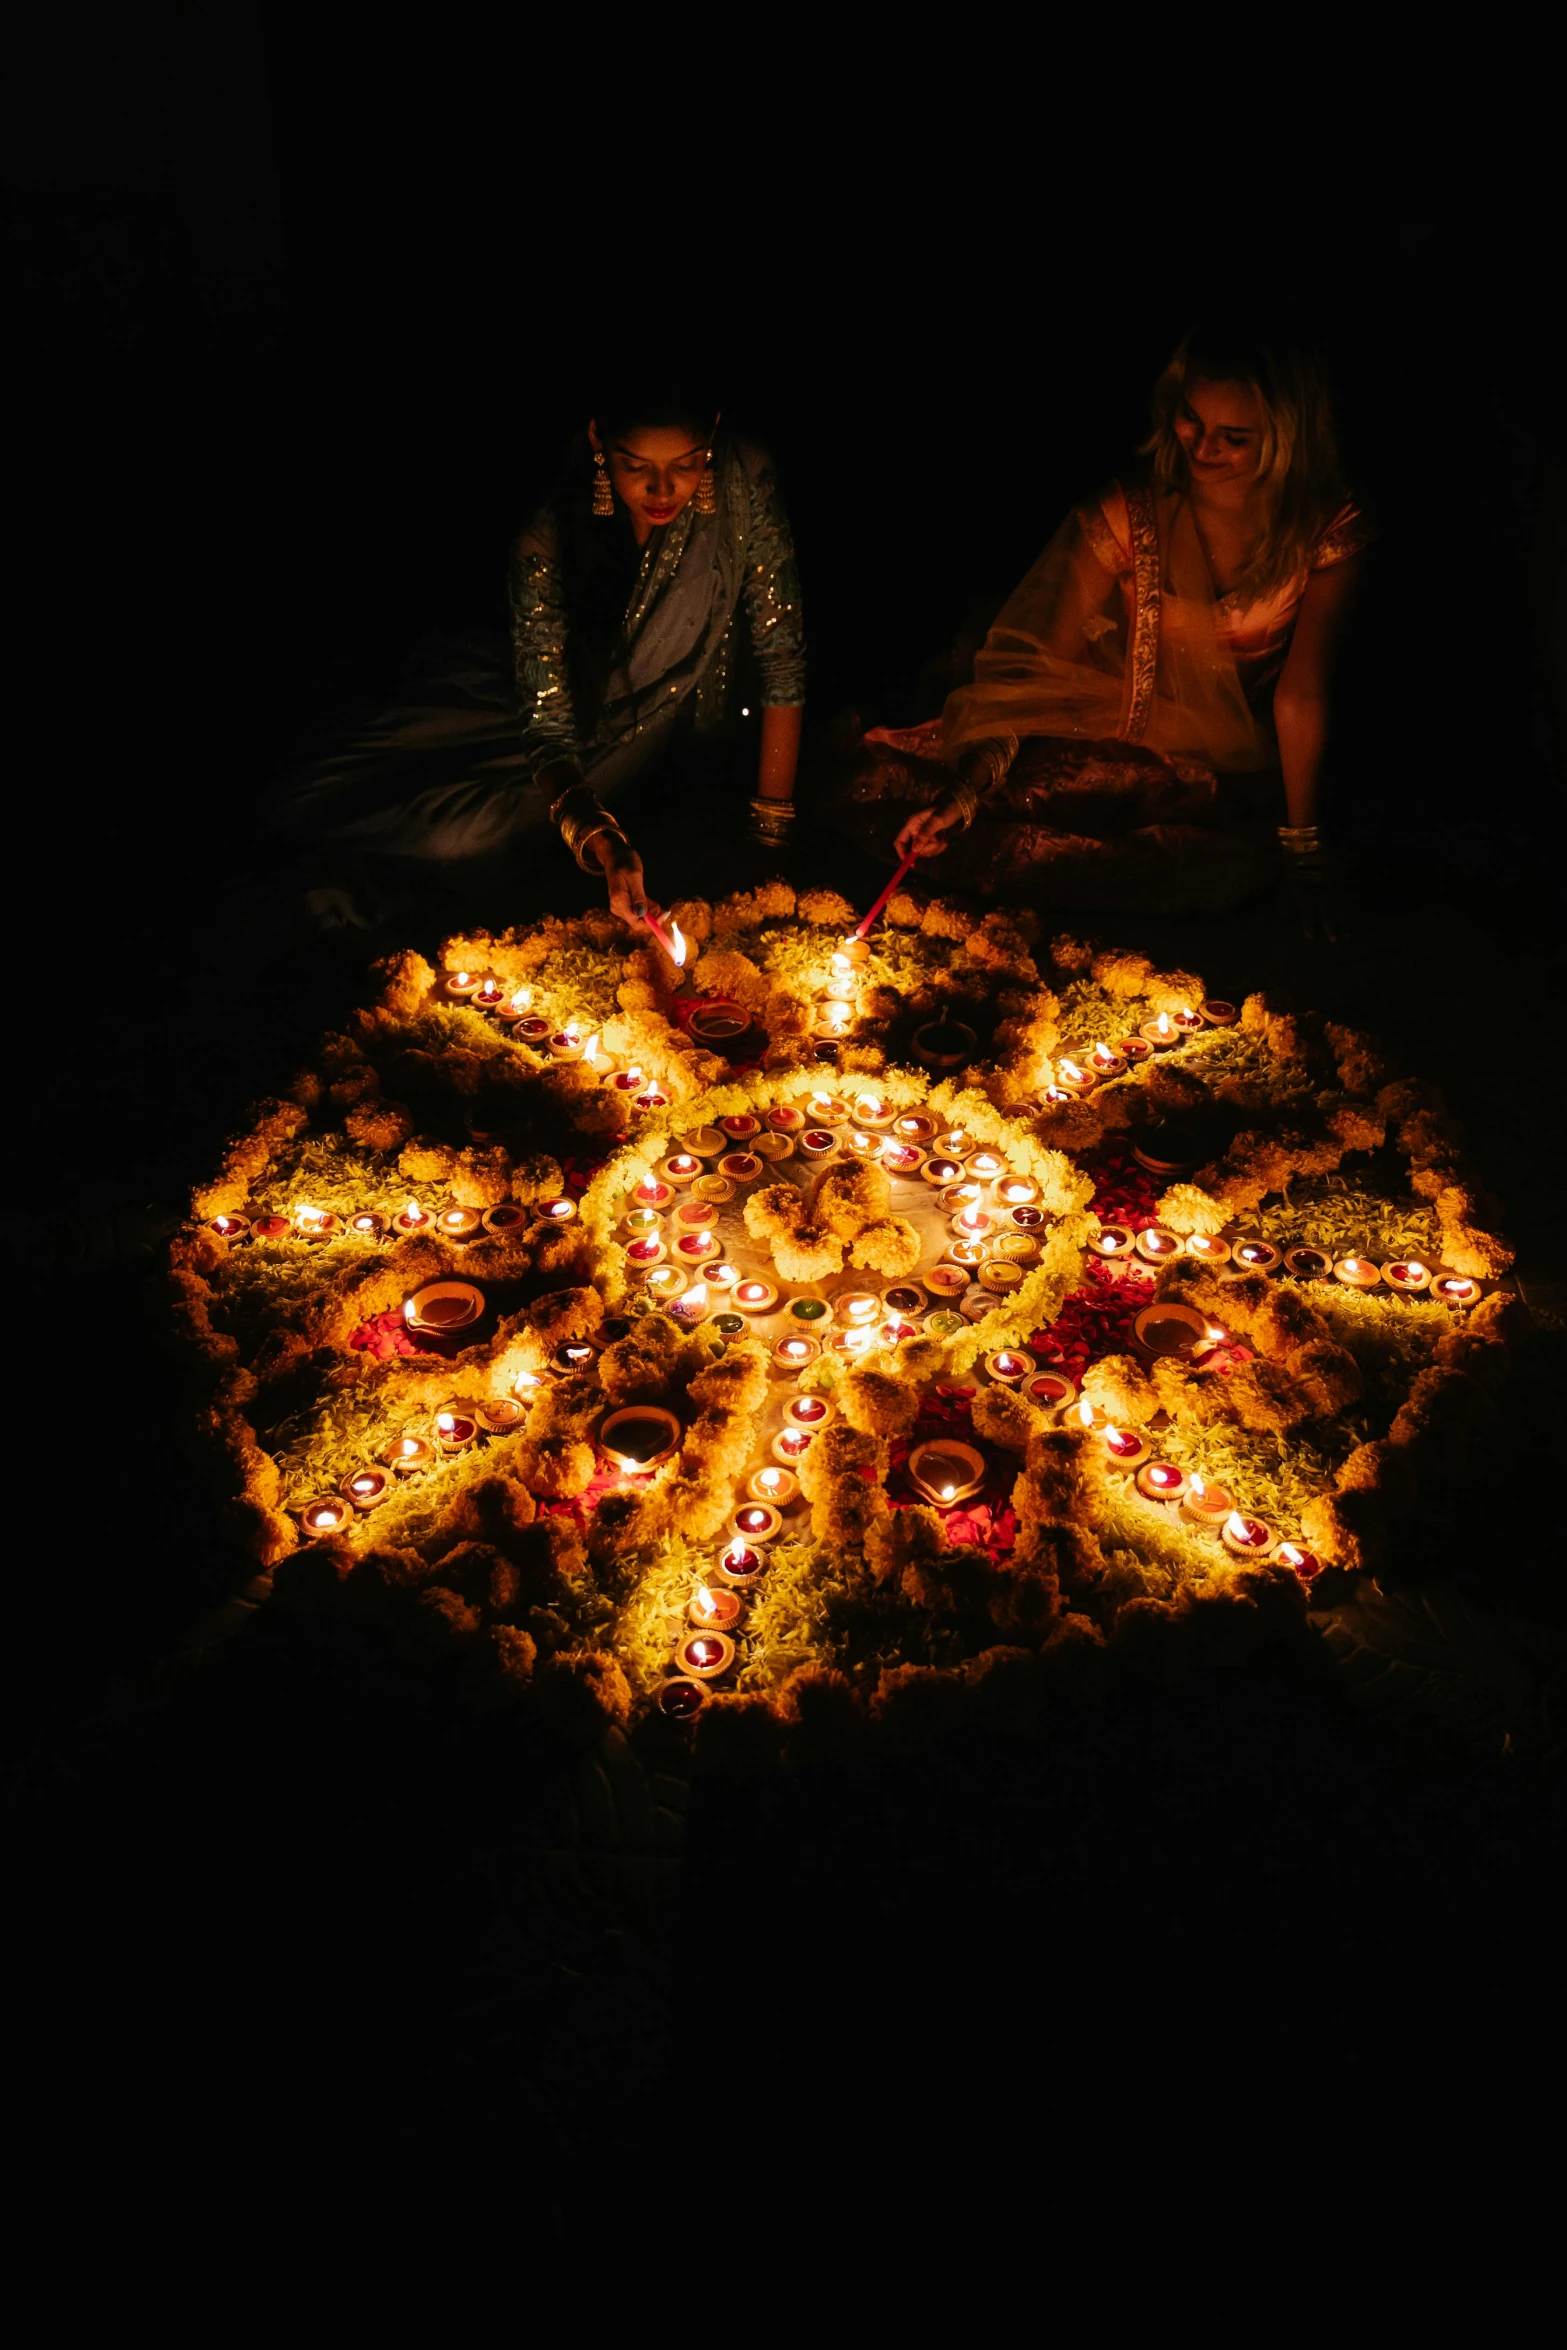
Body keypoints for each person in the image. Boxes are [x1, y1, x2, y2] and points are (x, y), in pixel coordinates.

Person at [833, 332, 1371, 934]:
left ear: (1287, 439)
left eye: (1235, 437)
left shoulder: (1324, 527)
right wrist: (963, 795)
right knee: (994, 826)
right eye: (1191, 419)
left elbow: (1301, 695)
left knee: (1207, 861)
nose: (1203, 446)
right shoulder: (1127, 515)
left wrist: (1305, 853)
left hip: (1229, 766)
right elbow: (1036, 676)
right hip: (1103, 732)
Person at [265, 386, 806, 930]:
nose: (662, 489)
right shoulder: (549, 535)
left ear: (711, 436)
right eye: (635, 465)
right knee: (321, 796)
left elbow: (781, 653)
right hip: (534, 719)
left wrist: (768, 833)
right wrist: (601, 833)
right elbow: (547, 725)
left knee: (465, 837)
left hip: (629, 737)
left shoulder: (743, 481)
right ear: (599, 440)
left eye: (687, 465)